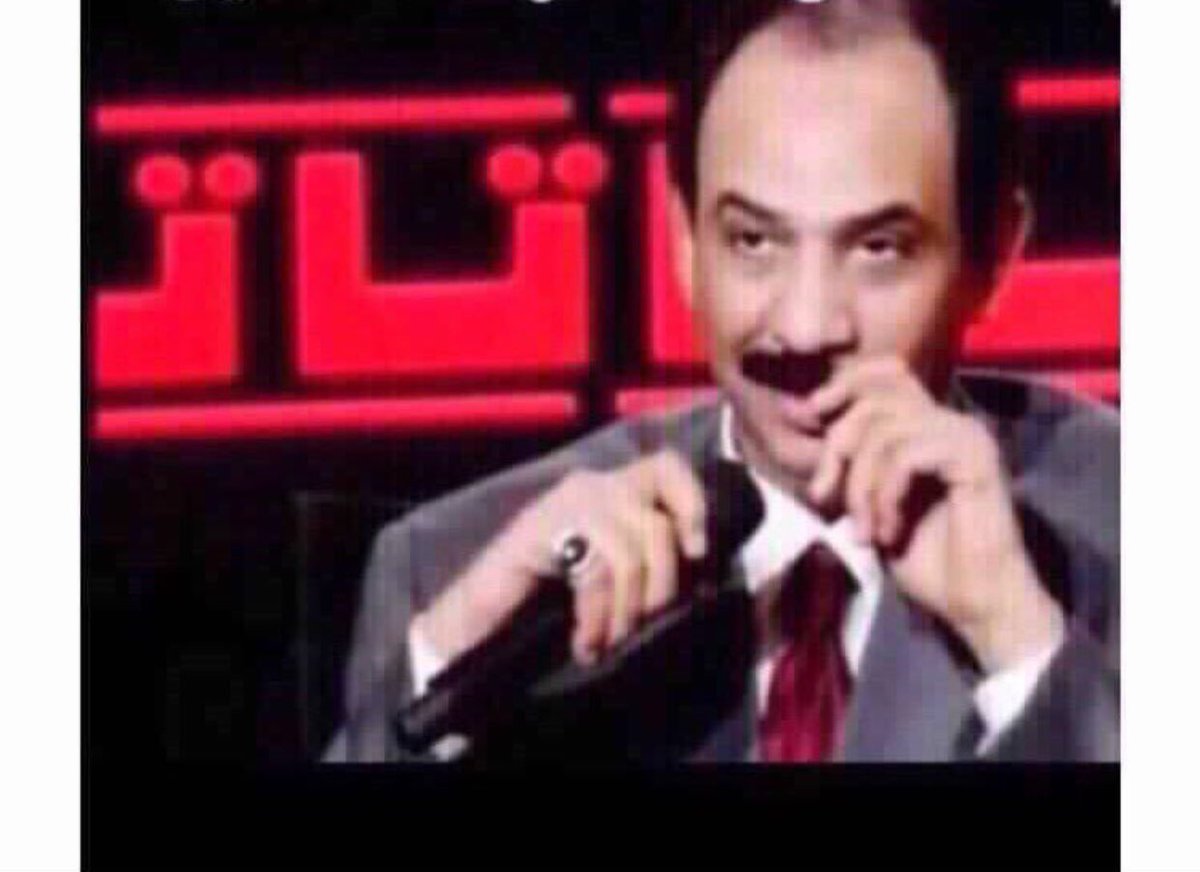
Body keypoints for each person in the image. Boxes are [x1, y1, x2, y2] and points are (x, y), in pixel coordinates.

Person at [324, 0, 1118, 763]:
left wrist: (1016, 642)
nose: (805, 327)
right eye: (752, 241)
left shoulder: (1126, 531)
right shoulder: (456, 567)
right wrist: (450, 675)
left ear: (993, 256)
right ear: (683, 243)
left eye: (879, 248)